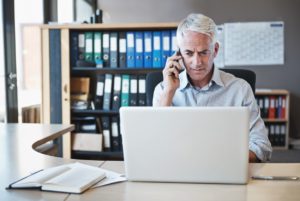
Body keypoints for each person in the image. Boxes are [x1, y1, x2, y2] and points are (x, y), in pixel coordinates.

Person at [152, 13, 272, 162]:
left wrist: (221, 160)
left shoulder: (240, 89)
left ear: (215, 50)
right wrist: (169, 92)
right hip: (178, 170)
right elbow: (154, 145)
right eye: (188, 53)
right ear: (179, 54)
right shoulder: (163, 90)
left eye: (203, 52)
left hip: (226, 171)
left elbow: (262, 146)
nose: (196, 62)